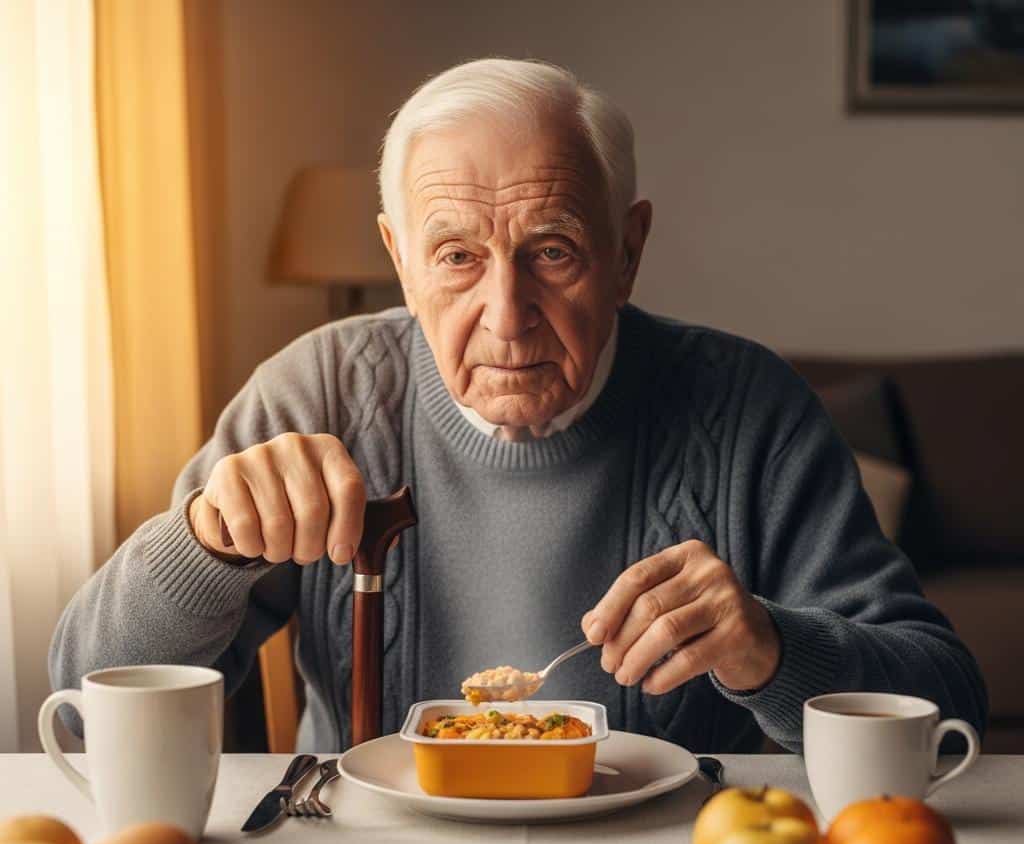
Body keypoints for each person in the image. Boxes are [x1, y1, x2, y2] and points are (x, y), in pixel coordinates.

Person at [49, 58, 986, 754]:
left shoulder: (749, 406)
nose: (506, 315)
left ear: (627, 252)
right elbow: (81, 705)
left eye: (552, 251)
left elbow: (951, 710)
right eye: (457, 257)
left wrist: (774, 649)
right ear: (400, 260)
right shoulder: (317, 389)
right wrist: (204, 547)